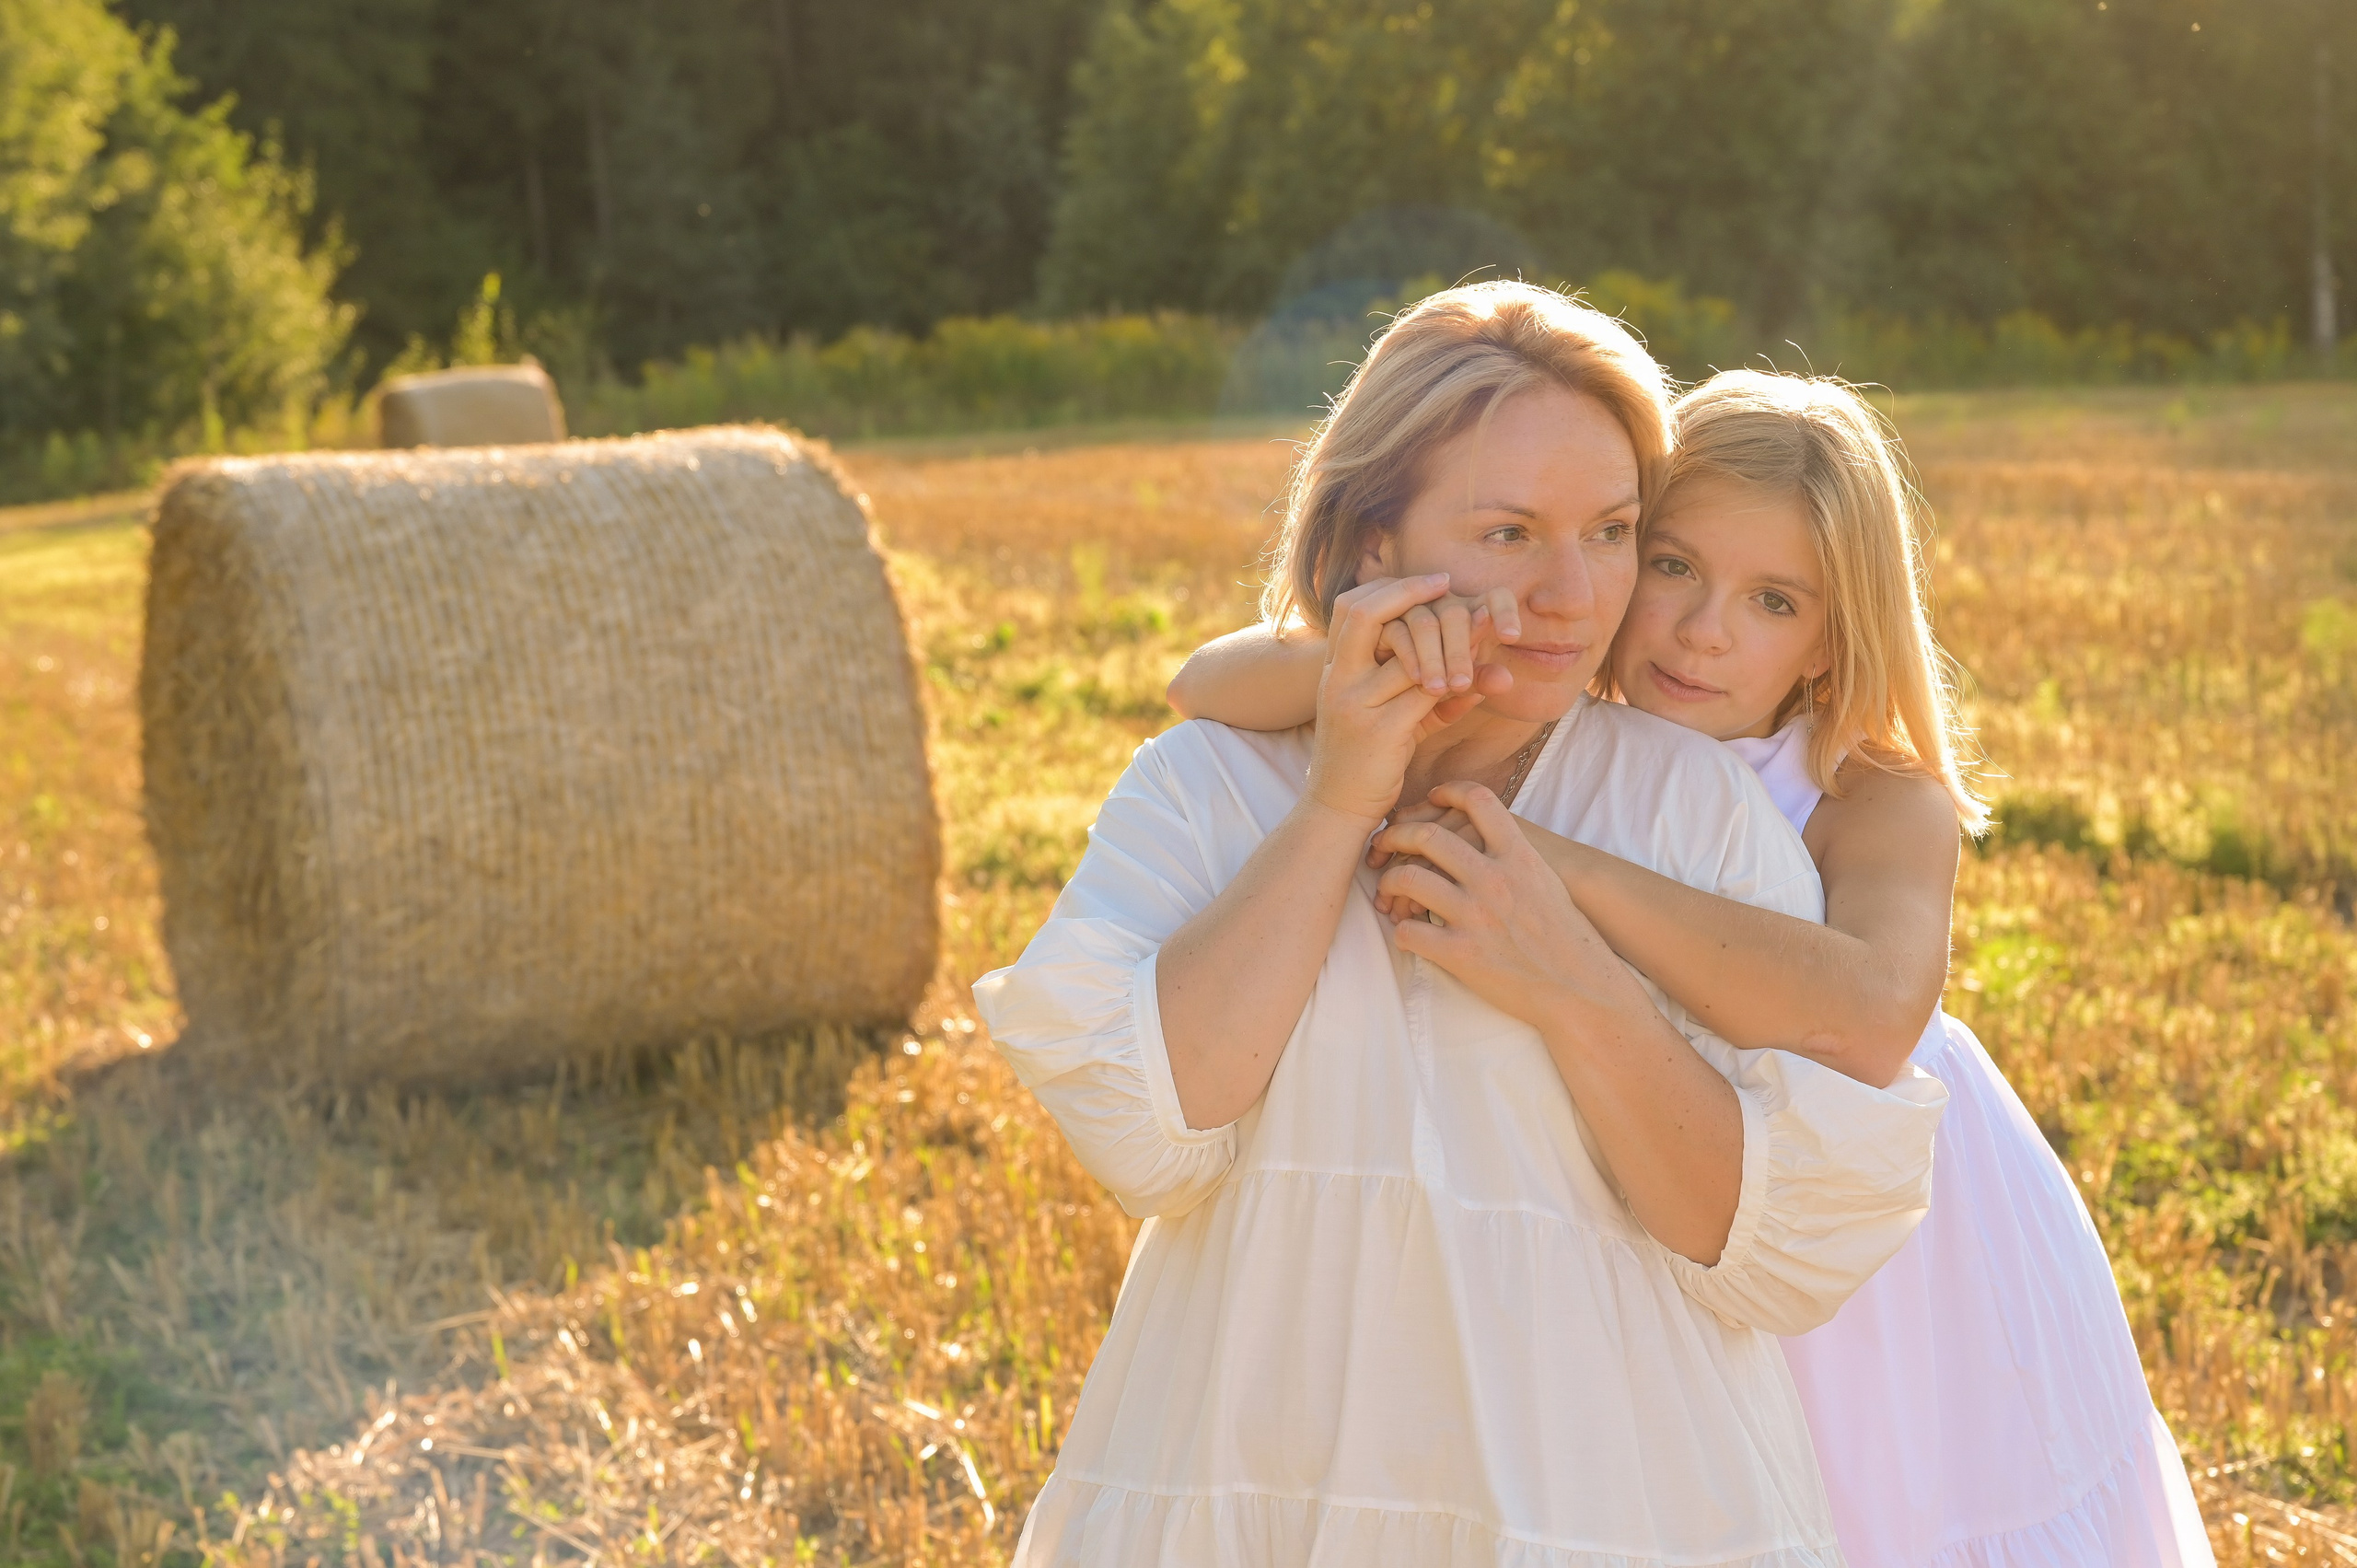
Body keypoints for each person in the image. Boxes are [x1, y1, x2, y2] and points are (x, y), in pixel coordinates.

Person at [1169, 366, 2215, 1565]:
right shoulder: (1548, 700)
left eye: (1775, 601)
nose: (1704, 628)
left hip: (1864, 1234)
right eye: (1670, 566)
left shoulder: (1868, 789)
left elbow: (1870, 1014)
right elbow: (1206, 683)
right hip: (1640, 1182)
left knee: (1864, 1505)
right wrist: (1390, 642)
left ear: (1834, 635)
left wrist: (1561, 869)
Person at [974, 283, 1948, 1566]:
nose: (1571, 593)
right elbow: (1151, 1144)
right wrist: (1337, 805)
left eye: (1611, 532)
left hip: (1613, 1501)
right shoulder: (1208, 784)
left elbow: (1763, 1258)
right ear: (1374, 542)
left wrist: (1571, 983)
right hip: (1248, 1476)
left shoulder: (1693, 810)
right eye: (1507, 533)